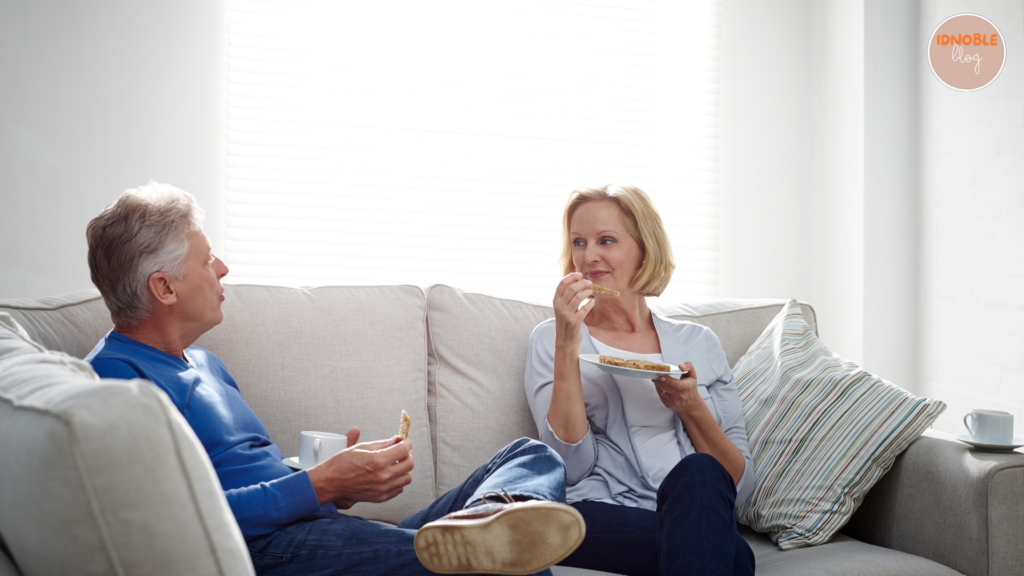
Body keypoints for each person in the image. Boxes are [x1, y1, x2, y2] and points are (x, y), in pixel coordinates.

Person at [84, 182, 585, 576]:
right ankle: (488, 543)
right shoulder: (116, 383)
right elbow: (175, 524)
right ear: (164, 287)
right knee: (499, 566)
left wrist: (336, 480)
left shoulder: (204, 362)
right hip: (268, 551)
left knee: (530, 455)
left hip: (315, 528)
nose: (222, 268)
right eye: (205, 258)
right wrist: (320, 484)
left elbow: (234, 468)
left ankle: (486, 524)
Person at [524, 185, 756, 576]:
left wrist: (691, 407)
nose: (587, 255)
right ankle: (703, 539)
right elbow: (569, 467)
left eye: (606, 240)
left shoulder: (700, 342)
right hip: (595, 515)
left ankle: (699, 535)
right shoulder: (552, 337)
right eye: (578, 242)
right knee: (731, 555)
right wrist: (568, 344)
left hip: (689, 504)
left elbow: (739, 485)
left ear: (645, 249)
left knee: (700, 473)